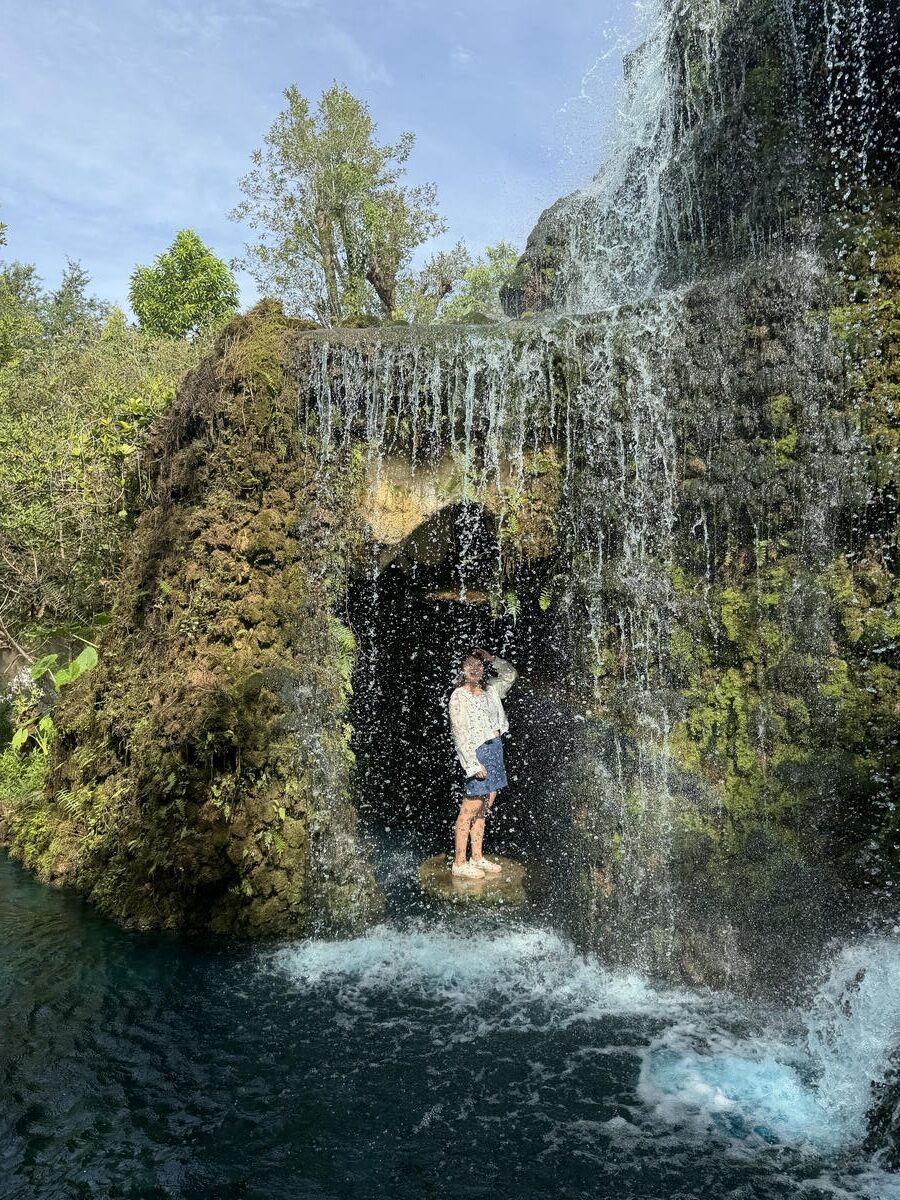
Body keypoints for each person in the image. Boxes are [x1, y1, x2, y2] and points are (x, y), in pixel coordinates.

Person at [448, 647, 517, 878]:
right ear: (462, 669)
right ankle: (459, 863)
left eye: (479, 664)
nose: (475, 669)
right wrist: (472, 764)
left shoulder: (491, 689)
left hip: (495, 749)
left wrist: (492, 659)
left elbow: (510, 676)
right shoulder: (459, 695)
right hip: (478, 753)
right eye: (469, 665)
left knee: (484, 808)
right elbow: (459, 733)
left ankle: (476, 857)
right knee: (469, 809)